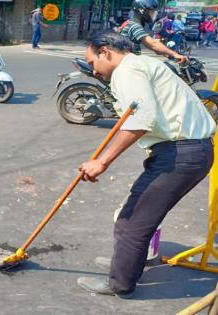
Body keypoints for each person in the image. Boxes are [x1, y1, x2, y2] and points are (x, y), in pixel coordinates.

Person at [77, 30, 215, 299]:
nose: (94, 72)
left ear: (105, 51)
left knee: (132, 221)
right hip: (188, 151)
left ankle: (120, 283)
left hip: (180, 154)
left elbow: (141, 120)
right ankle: (126, 264)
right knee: (138, 215)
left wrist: (101, 161)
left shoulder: (127, 71)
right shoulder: (145, 63)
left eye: (93, 63)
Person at [119, 0, 188, 63]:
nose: (153, 15)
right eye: (151, 12)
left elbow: (154, 48)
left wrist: (168, 55)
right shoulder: (135, 26)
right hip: (127, 64)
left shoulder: (132, 23)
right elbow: (152, 44)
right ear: (142, 11)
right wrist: (175, 54)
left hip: (129, 61)